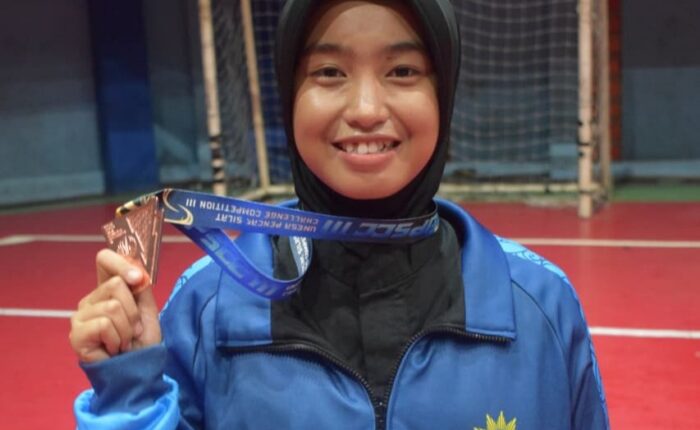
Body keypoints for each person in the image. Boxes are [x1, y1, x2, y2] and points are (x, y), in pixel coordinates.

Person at [70, 0, 610, 428]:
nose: (367, 110)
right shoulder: (206, 307)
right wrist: (131, 390)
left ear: (443, 94)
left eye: (402, 70)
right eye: (329, 72)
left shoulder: (541, 305)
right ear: (290, 96)